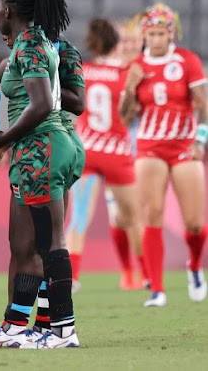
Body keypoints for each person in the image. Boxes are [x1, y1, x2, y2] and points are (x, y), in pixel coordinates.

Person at [0, 0, 79, 349]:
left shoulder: (31, 45)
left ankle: (62, 330)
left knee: (49, 241)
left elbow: (41, 104)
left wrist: (5, 139)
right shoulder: (33, 43)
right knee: (25, 243)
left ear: (7, 9)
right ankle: (15, 326)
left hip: (42, 144)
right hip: (41, 146)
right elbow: (1, 71)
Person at [119, 3, 208, 307]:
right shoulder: (136, 67)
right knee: (151, 215)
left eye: (161, 33)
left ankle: (194, 266)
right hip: (149, 147)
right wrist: (130, 88)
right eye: (151, 33)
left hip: (184, 146)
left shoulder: (187, 61)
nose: (155, 39)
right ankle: (157, 289)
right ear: (144, 34)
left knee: (195, 224)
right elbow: (125, 116)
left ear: (171, 33)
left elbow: (203, 105)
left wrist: (201, 140)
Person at [65, 18, 144, 291]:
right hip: (117, 154)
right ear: (116, 44)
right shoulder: (126, 74)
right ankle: (145, 274)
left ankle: (72, 277)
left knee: (78, 217)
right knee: (132, 216)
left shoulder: (83, 71)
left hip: (86, 151)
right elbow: (128, 114)